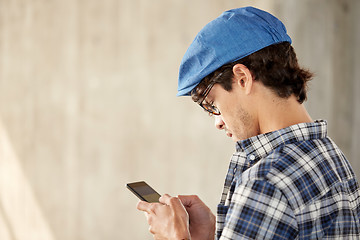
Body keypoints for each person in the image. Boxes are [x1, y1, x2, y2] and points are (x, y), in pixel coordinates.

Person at [136, 6, 360, 240]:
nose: (218, 122)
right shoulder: (330, 155)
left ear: (242, 78)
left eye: (212, 104)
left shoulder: (265, 182)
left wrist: (176, 237)